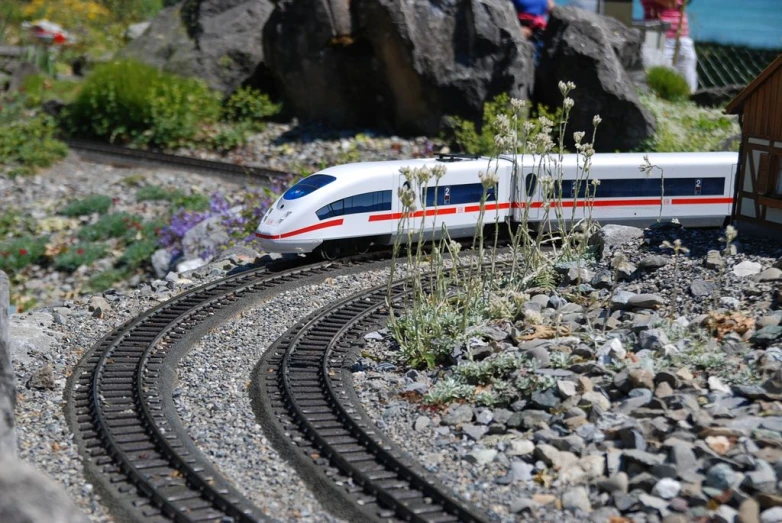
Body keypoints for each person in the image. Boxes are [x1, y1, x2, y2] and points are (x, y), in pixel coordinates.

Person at [641, 0, 699, 93]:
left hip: (682, 37)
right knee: (660, 85)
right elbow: (670, 3)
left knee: (688, 85)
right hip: (658, 37)